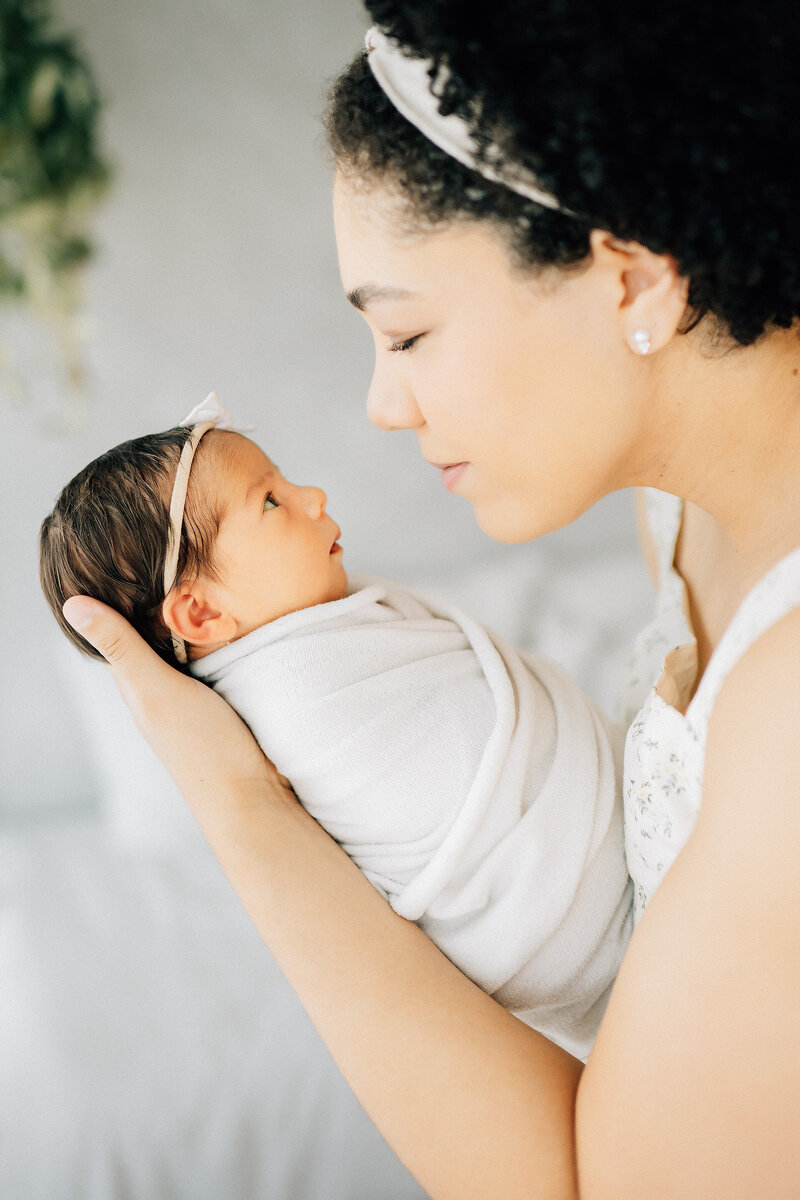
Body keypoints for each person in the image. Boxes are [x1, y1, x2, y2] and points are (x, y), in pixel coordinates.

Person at [60, 1, 800, 1195]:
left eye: (404, 335)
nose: (382, 406)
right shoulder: (677, 500)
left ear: (630, 276)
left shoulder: (787, 702)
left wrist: (240, 806)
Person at [39, 395, 631, 1059]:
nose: (313, 496)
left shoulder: (330, 623)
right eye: (270, 502)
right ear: (202, 616)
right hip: (568, 925)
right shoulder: (295, 704)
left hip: (604, 834)